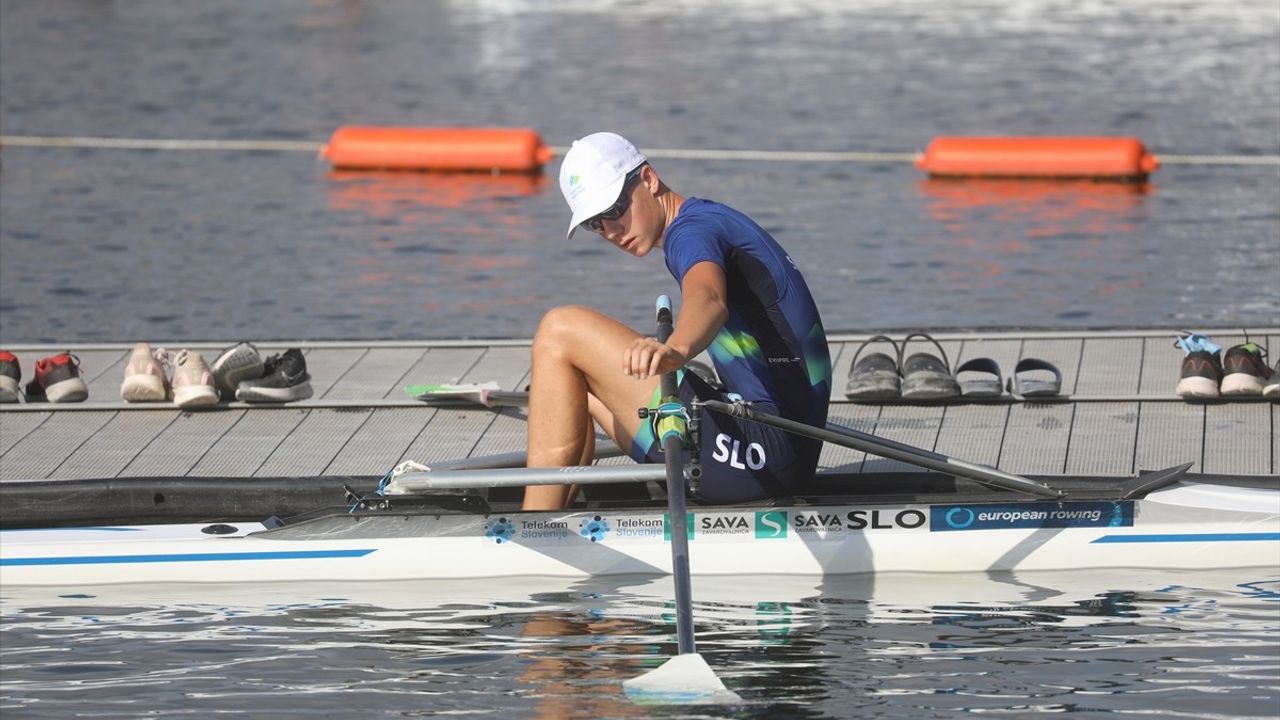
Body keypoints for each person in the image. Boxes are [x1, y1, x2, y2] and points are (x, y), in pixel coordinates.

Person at [523, 132, 831, 511]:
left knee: (560, 329)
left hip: (766, 452)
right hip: (777, 443)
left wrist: (676, 349)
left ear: (648, 179)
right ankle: (551, 518)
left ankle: (533, 523)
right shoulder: (707, 219)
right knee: (571, 388)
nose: (611, 230)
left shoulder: (691, 233)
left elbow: (709, 298)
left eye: (615, 208)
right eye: (595, 223)